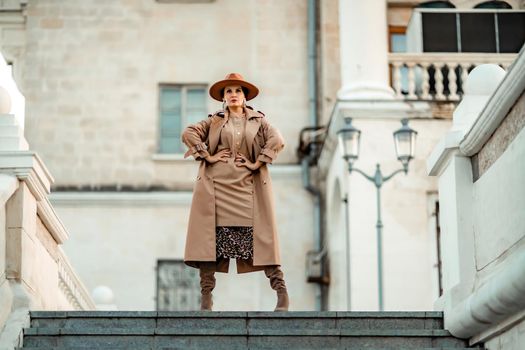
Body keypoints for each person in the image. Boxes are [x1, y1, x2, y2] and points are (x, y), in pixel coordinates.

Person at [181, 73, 289, 312]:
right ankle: (206, 298)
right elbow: (189, 133)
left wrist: (256, 163)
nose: (233, 95)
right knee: (211, 243)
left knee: (261, 239)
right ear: (223, 98)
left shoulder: (259, 121)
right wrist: (206, 155)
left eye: (237, 91)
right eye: (228, 91)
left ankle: (281, 294)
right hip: (215, 190)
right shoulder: (214, 121)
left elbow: (277, 139)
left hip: (247, 191)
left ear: (244, 96)